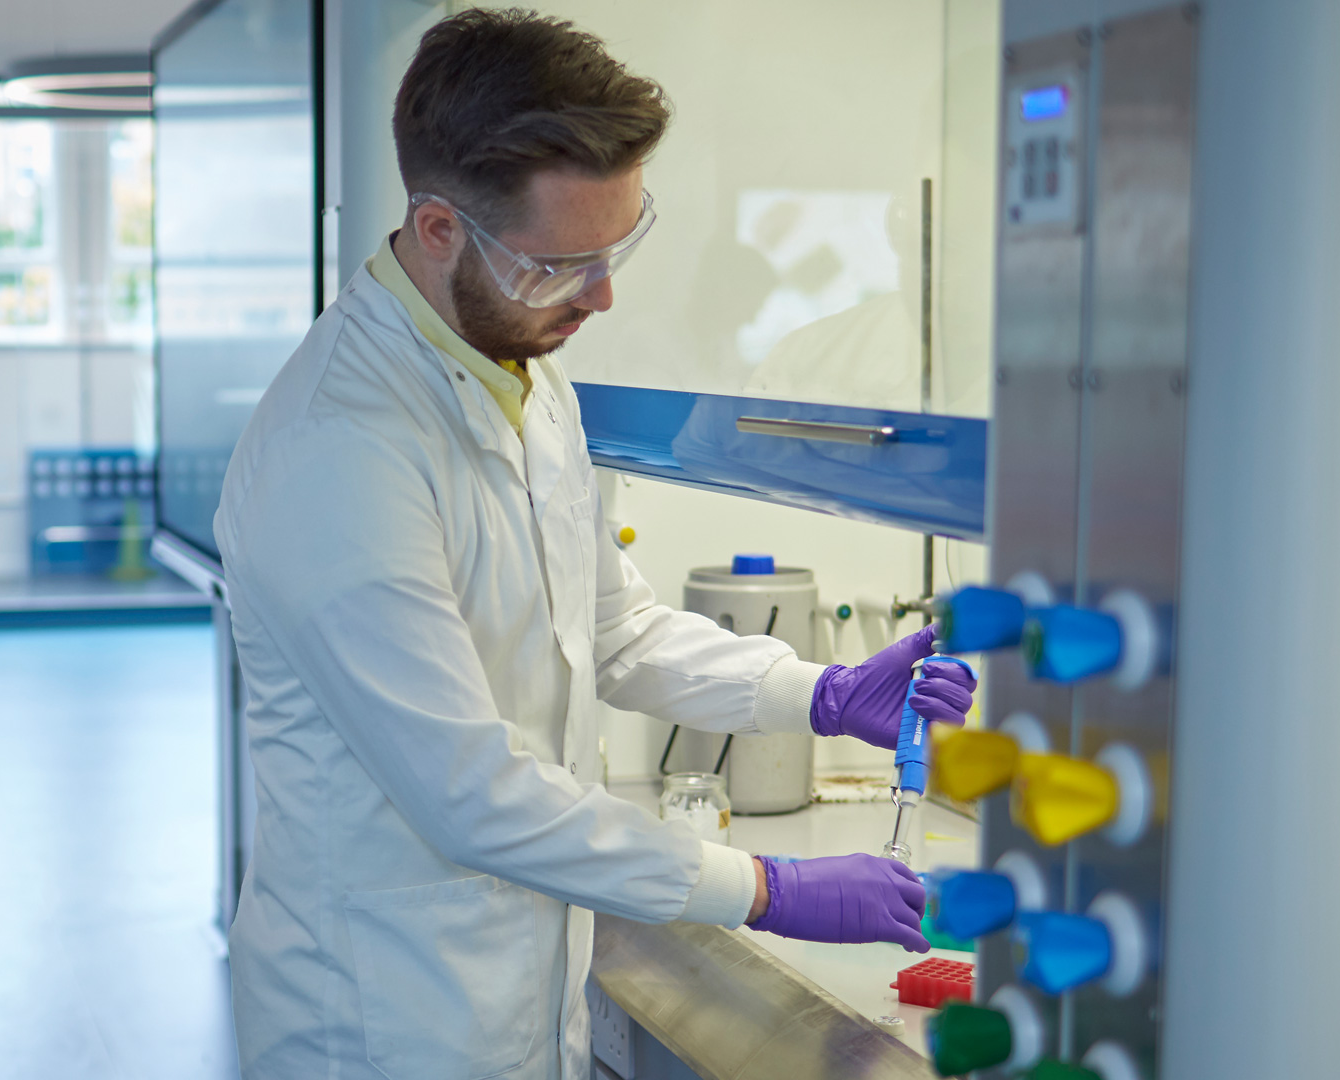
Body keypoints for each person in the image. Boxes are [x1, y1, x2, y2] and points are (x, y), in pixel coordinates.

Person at [213, 11, 979, 1080]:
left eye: (617, 249)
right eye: (560, 263)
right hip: (385, 1021)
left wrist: (814, 692)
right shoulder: (337, 455)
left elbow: (609, 625)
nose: (602, 295)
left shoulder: (522, 376)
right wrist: (767, 887)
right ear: (437, 230)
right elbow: (471, 793)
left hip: (523, 994)